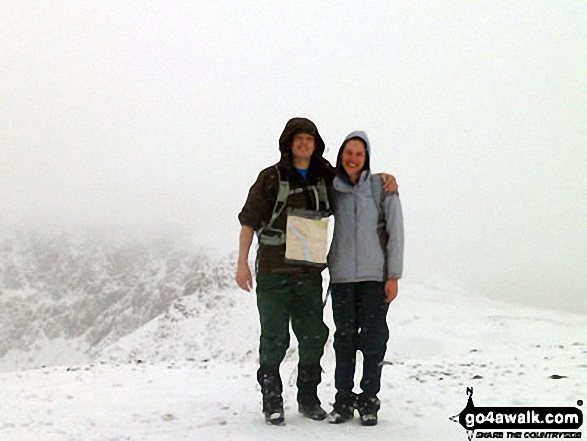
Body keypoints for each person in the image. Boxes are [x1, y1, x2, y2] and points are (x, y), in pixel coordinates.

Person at [236, 119, 398, 426]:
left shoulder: (326, 175)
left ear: (316, 143)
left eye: (309, 138)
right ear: (288, 142)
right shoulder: (270, 178)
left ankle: (308, 398)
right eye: (298, 138)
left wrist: (382, 179)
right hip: (272, 272)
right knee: (274, 338)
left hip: (308, 274)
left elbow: (355, 181)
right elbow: (248, 221)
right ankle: (271, 400)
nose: (304, 143)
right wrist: (242, 262)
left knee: (313, 336)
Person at [326, 130, 404, 426]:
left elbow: (396, 233)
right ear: (341, 156)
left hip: (374, 277)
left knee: (373, 339)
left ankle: (369, 398)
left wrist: (393, 275)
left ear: (367, 156)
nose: (353, 159)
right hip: (342, 277)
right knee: (344, 339)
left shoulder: (381, 187)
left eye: (359, 153)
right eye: (349, 153)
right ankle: (343, 400)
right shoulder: (332, 188)